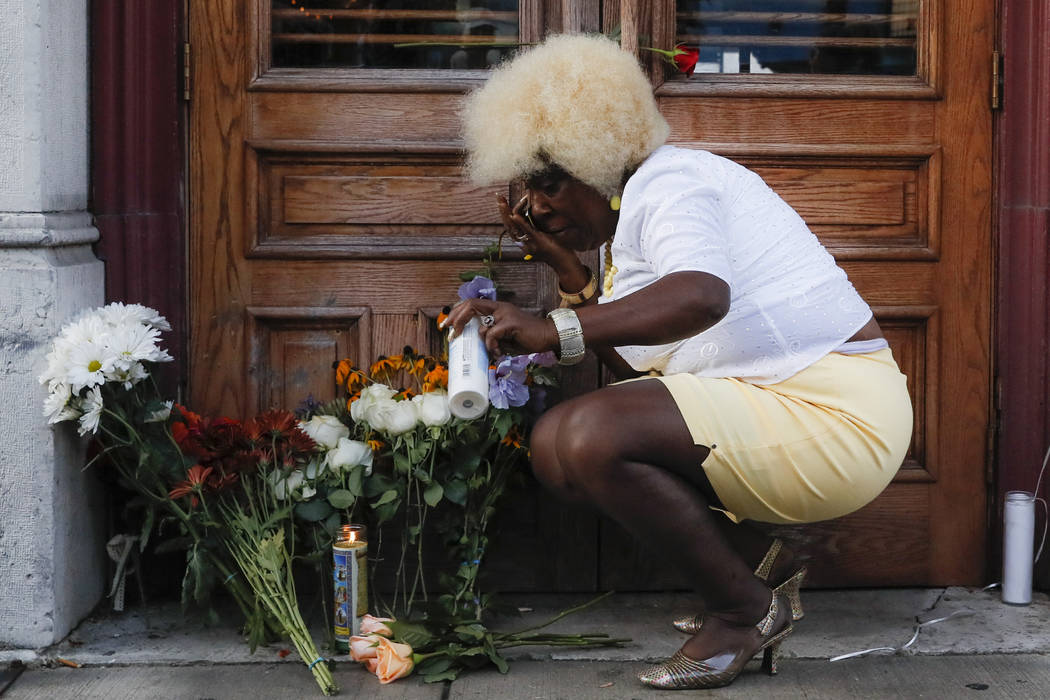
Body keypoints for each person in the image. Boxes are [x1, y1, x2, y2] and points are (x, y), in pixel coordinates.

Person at [442, 34, 912, 690]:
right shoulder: (634, 225)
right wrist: (567, 271)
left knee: (579, 435)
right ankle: (759, 567)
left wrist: (551, 327)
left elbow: (700, 295)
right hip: (782, 403)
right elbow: (644, 383)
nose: (538, 205)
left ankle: (743, 613)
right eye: (528, 191)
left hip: (835, 414)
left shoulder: (672, 182)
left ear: (597, 158)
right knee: (565, 450)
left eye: (548, 184)